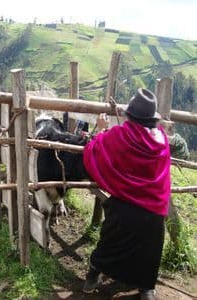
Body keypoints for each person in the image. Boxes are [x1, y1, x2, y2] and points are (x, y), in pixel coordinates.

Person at [82, 88, 171, 300]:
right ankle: (146, 287)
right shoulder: (162, 141)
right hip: (154, 212)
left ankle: (93, 275)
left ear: (130, 115)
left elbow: (93, 151)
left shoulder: (119, 135)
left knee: (109, 242)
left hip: (124, 209)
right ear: (152, 119)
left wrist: (102, 129)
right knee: (150, 249)